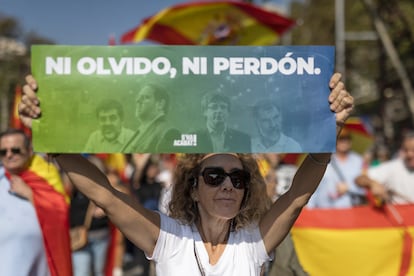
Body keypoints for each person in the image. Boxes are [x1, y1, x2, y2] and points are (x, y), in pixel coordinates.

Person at [20, 72, 353, 275]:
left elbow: (296, 197)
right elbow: (106, 196)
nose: (228, 185)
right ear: (192, 188)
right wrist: (51, 136)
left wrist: (329, 130)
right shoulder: (168, 237)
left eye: (238, 179)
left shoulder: (253, 241)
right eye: (214, 176)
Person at [0, 128, 72, 276]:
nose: (9, 155)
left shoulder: (46, 174)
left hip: (41, 263)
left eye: (15, 150)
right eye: (3, 152)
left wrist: (30, 194)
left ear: (29, 150)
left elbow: (61, 212)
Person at [307, 128, 366, 208]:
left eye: (347, 138)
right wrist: (309, 209)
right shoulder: (322, 161)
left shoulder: (359, 161)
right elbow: (313, 188)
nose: (344, 142)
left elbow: (366, 189)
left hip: (351, 211)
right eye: (340, 138)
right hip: (324, 211)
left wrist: (349, 188)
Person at [355, 131, 414, 204]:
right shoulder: (394, 167)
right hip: (400, 213)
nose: (409, 154)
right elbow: (359, 179)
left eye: (413, 150)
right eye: (406, 150)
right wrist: (373, 184)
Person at [121, 83, 181, 153]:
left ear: (160, 104)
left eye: (145, 97)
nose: (138, 101)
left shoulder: (168, 132)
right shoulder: (140, 130)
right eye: (138, 97)